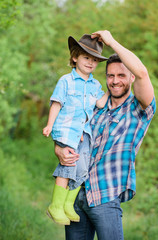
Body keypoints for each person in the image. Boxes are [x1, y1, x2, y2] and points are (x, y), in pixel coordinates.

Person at [54, 30, 156, 240]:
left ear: (131, 77)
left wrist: (110, 42)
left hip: (105, 197)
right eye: (110, 75)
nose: (115, 80)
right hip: (75, 196)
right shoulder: (95, 104)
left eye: (121, 75)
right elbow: (69, 128)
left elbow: (143, 72)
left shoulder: (139, 109)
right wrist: (59, 148)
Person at [43, 33, 109, 225]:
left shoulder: (95, 85)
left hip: (83, 134)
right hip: (66, 130)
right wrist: (49, 124)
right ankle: (56, 205)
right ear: (75, 57)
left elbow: (100, 103)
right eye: (86, 57)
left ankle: (67, 204)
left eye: (95, 60)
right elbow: (56, 103)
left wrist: (112, 91)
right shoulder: (66, 81)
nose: (91, 62)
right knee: (69, 163)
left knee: (82, 168)